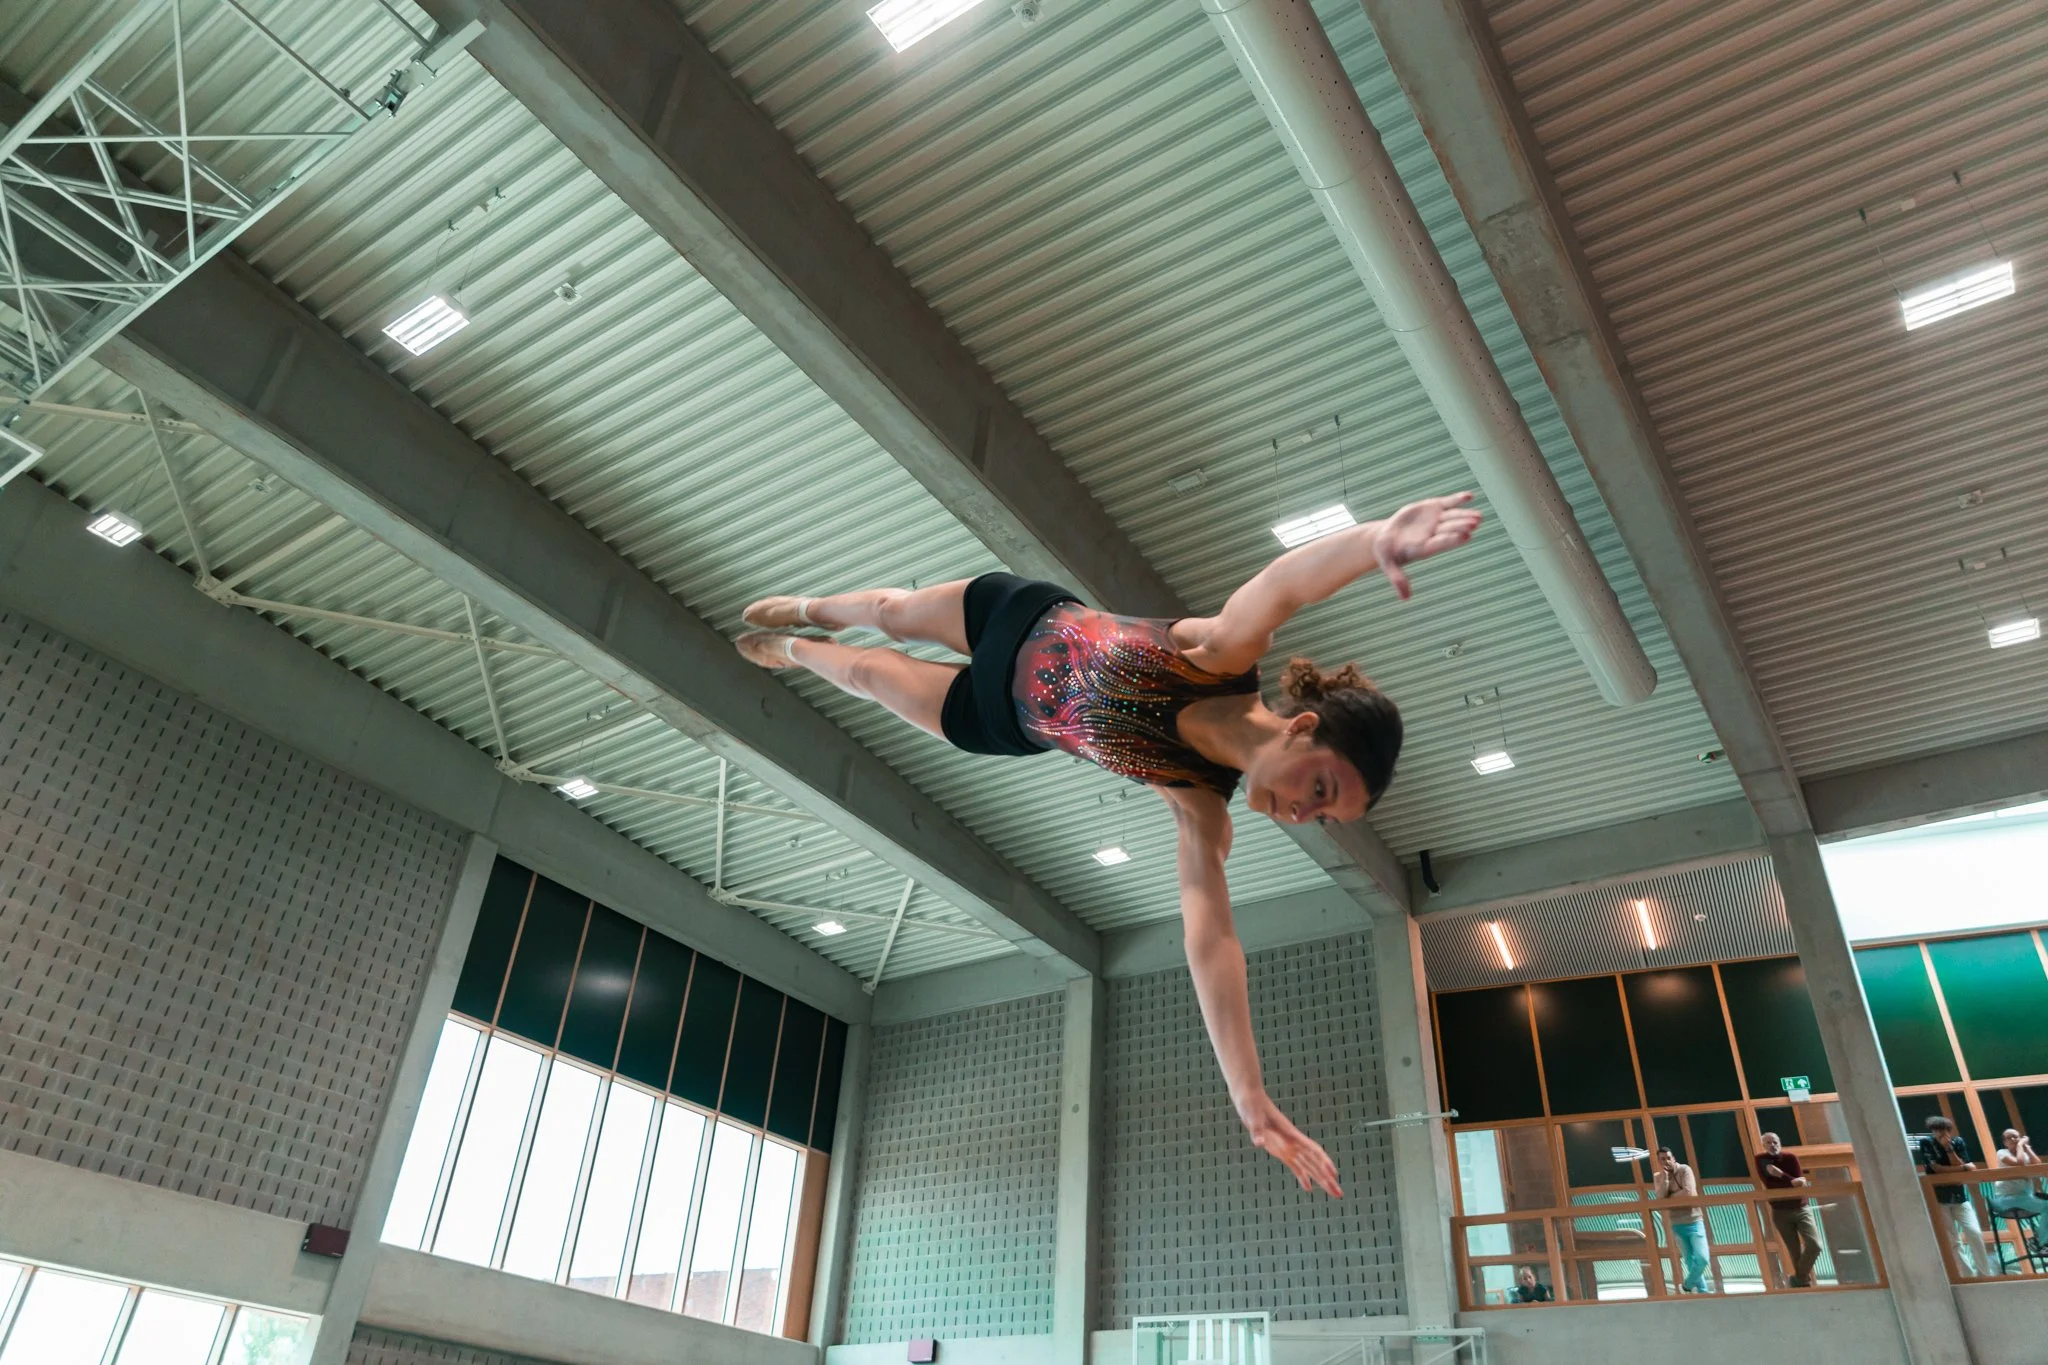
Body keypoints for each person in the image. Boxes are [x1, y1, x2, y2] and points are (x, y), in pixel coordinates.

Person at [737, 494, 1482, 1197]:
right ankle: (810, 608)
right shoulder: (1217, 658)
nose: (1301, 812)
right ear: (1303, 727)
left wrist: (1249, 1095)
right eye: (1320, 787)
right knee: (890, 615)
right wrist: (1375, 540)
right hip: (1021, 614)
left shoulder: (1200, 804)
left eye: (1322, 817)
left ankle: (794, 648)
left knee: (866, 671)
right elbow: (1284, 585)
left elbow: (1212, 940)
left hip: (1003, 718)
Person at [1919, 1116, 1991, 1274]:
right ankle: (1967, 1275)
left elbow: (1964, 1164)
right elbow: (1936, 1169)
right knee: (1952, 1240)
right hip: (1938, 1198)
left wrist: (1949, 1149)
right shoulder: (1926, 1143)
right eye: (1937, 1130)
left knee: (1974, 1232)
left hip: (1959, 1197)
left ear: (1949, 1131)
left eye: (1944, 1130)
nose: (1941, 1133)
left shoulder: (1958, 1142)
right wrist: (1963, 1168)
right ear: (1932, 1131)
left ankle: (1984, 1274)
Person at [1755, 1132, 1822, 1287]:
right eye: (1768, 1143)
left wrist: (1781, 1175)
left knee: (1815, 1245)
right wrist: (1791, 1182)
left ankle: (1798, 1278)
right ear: (1763, 1146)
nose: (1772, 1145)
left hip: (1801, 1207)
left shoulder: (1790, 1158)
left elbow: (1800, 1184)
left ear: (1780, 1142)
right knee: (1794, 1251)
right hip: (1780, 1211)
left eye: (1775, 1142)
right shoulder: (1761, 1159)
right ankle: (1803, 1284)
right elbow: (1770, 1185)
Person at [1653, 1145, 1712, 1293]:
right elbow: (1660, 1199)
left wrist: (1669, 1199)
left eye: (1668, 1158)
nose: (1666, 1161)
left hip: (1694, 1220)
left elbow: (1689, 1193)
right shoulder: (1658, 1177)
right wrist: (1666, 1180)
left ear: (1673, 1158)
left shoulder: (1685, 1170)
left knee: (1702, 1258)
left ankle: (1687, 1285)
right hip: (1677, 1223)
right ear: (1658, 1162)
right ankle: (1702, 1291)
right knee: (1689, 1260)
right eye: (1662, 1159)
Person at [1991, 1128, 2048, 1217]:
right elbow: (2019, 1163)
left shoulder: (2024, 1155)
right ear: (2005, 1143)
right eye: (2009, 1138)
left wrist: (2027, 1148)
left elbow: (2038, 1165)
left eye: (2015, 1137)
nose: (2013, 1139)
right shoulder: (2002, 1153)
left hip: (2025, 1197)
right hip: (2007, 1199)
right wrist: (2020, 1145)